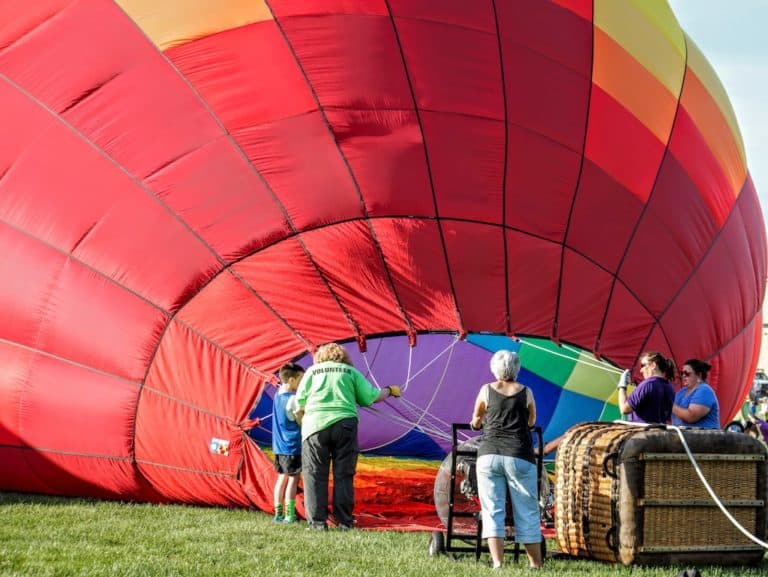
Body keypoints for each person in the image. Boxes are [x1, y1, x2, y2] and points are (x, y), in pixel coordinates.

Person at [294, 342, 400, 531]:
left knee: (314, 474)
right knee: (344, 474)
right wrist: (390, 390)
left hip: (315, 426)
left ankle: (318, 523)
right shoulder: (350, 372)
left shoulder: (312, 371)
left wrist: (304, 424)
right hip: (345, 425)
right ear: (344, 357)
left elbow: (298, 402)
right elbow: (371, 397)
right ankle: (344, 521)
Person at [470, 349, 543, 570]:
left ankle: (498, 563)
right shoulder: (526, 392)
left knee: (492, 510)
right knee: (527, 510)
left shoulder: (486, 390)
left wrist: (478, 422)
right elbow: (531, 422)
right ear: (516, 369)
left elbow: (476, 419)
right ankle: (536, 564)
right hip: (519, 455)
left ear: (495, 368)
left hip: (489, 455)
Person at [271, 362, 305, 523]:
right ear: (291, 380)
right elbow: (301, 422)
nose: (302, 383)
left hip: (279, 445)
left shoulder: (278, 394)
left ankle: (278, 513)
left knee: (281, 478)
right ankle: (290, 514)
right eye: (301, 379)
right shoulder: (293, 400)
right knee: (293, 478)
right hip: (292, 446)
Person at [617, 351, 676, 424]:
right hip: (660, 432)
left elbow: (624, 409)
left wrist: (622, 386)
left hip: (640, 432)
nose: (641, 370)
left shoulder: (647, 384)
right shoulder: (670, 388)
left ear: (653, 365)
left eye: (642, 365)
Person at [672, 359, 720, 429]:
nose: (683, 376)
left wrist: (669, 404)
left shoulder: (704, 390)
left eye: (687, 373)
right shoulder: (682, 391)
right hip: (684, 437)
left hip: (705, 438)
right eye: (682, 373)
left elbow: (691, 416)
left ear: (699, 375)